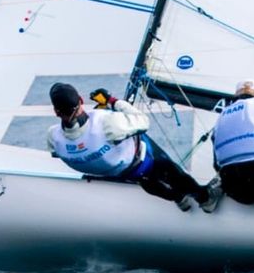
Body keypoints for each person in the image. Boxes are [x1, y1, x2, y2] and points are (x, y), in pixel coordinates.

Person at [45, 82, 221, 212]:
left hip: (123, 173)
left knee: (144, 179)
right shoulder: (106, 122)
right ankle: (205, 200)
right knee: (170, 171)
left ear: (56, 111)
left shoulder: (53, 137)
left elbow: (67, 148)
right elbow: (143, 121)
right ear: (81, 100)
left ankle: (179, 198)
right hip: (146, 161)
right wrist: (113, 101)